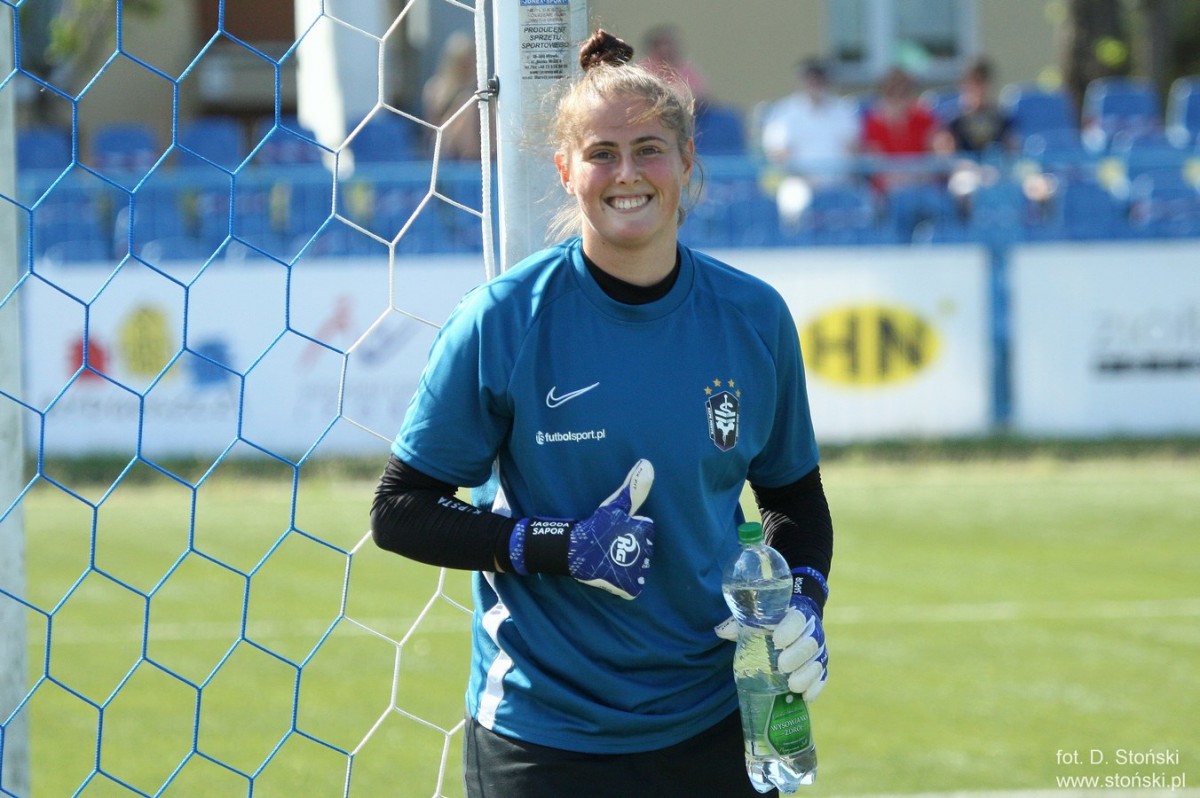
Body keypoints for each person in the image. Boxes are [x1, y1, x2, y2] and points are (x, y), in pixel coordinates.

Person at [371, 29, 833, 798]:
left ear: (687, 161)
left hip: (716, 717)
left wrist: (803, 600)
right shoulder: (502, 319)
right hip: (542, 731)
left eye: (649, 150)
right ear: (565, 169)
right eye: (601, 153)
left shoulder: (754, 317)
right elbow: (400, 511)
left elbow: (793, 497)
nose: (627, 174)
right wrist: (560, 545)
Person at [861, 66, 941, 193]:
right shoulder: (874, 124)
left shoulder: (924, 119)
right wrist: (900, 179)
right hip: (887, 190)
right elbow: (877, 164)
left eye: (904, 93)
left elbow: (935, 157)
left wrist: (915, 177)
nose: (898, 99)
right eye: (892, 93)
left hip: (921, 184)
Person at [421, 31, 488, 160]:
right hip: (443, 145)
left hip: (476, 145)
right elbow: (431, 125)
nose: (467, 66)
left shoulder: (481, 90)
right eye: (462, 62)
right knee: (466, 102)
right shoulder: (435, 88)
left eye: (470, 61)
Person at [639, 24, 711, 108]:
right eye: (661, 45)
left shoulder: (685, 68)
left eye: (668, 44)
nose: (665, 49)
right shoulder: (643, 68)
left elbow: (701, 93)